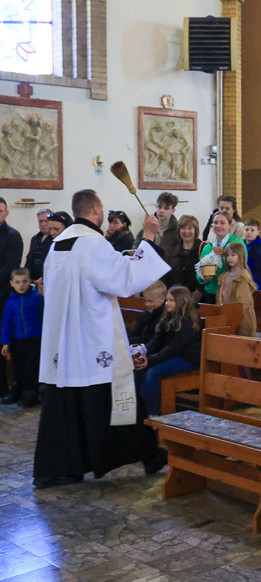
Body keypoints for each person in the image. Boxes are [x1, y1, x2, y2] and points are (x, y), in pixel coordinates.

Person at [34, 189, 169, 488]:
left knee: (68, 403)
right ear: (96, 208)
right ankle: (150, 454)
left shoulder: (57, 244)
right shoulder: (93, 245)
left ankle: (58, 468)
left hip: (66, 344)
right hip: (95, 342)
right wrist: (148, 236)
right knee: (120, 399)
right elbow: (126, 279)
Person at [135, 285, 203, 416]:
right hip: (174, 355)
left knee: (153, 372)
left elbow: (174, 348)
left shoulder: (187, 321)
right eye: (166, 300)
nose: (167, 303)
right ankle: (140, 412)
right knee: (138, 370)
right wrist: (142, 353)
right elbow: (156, 340)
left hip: (187, 359)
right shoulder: (167, 317)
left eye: (171, 300)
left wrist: (150, 360)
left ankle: (153, 415)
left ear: (181, 301)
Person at [1, 268, 43, 407]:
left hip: (34, 340)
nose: (21, 285)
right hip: (18, 341)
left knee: (31, 368)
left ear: (30, 282)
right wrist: (5, 342)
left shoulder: (36, 298)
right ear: (12, 283)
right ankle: (17, 390)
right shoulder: (10, 302)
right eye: (17, 282)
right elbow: (7, 323)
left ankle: (31, 393)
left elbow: (44, 317)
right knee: (18, 367)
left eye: (24, 281)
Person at [0, 197, 25, 399]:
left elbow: (9, 269)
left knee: (3, 344)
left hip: (2, 298)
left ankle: (3, 387)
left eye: (0, 211)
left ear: (6, 212)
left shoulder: (12, 236)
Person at [196, 211, 244, 303]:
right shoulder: (208, 247)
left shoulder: (237, 243)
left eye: (222, 223)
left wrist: (225, 254)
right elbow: (199, 272)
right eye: (215, 222)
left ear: (230, 225)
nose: (218, 226)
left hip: (231, 292)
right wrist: (203, 277)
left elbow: (243, 265)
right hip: (211, 292)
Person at [216, 242, 258, 337]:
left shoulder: (243, 277)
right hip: (226, 314)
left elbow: (243, 303)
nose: (229, 258)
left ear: (241, 255)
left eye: (233, 255)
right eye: (227, 255)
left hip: (241, 317)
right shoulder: (225, 276)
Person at [162, 215, 201, 293]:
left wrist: (200, 290)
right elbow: (166, 276)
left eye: (190, 228)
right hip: (175, 296)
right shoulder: (171, 251)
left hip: (197, 298)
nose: (186, 231)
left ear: (195, 230)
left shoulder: (203, 249)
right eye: (183, 228)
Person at [24, 209, 52, 282]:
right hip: (31, 280)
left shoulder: (55, 239)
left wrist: (43, 278)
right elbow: (29, 259)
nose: (43, 224)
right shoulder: (35, 239)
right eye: (40, 221)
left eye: (46, 221)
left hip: (47, 280)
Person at [243, 219, 261, 290]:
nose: (249, 232)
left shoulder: (258, 249)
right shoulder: (241, 245)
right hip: (242, 280)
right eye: (246, 230)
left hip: (254, 282)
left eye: (252, 230)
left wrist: (255, 281)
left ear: (258, 232)